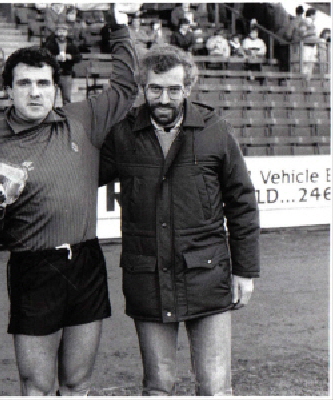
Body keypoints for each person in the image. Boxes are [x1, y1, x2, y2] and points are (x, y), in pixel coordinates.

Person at [0, 7, 137, 396]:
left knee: (78, 382)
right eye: (25, 83)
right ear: (8, 89)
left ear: (56, 89)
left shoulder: (81, 119)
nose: (35, 92)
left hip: (86, 262)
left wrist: (119, 27)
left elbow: (126, 87)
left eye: (43, 84)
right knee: (37, 385)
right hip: (33, 266)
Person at [99, 44, 260, 396]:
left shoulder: (215, 130)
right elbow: (79, 177)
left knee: (216, 388)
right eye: (155, 88)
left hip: (208, 274)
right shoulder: (123, 134)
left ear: (188, 88)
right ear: (143, 87)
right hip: (148, 277)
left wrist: (244, 271)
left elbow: (242, 202)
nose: (164, 98)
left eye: (174, 89)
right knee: (158, 386)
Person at [43, 23, 82, 104]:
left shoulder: (72, 44)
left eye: (64, 31)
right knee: (51, 98)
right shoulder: (50, 44)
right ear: (56, 32)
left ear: (67, 32)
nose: (61, 33)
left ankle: (66, 114)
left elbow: (78, 57)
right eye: (59, 31)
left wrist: (71, 57)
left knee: (66, 98)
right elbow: (44, 56)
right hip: (53, 74)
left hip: (66, 74)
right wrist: (54, 58)